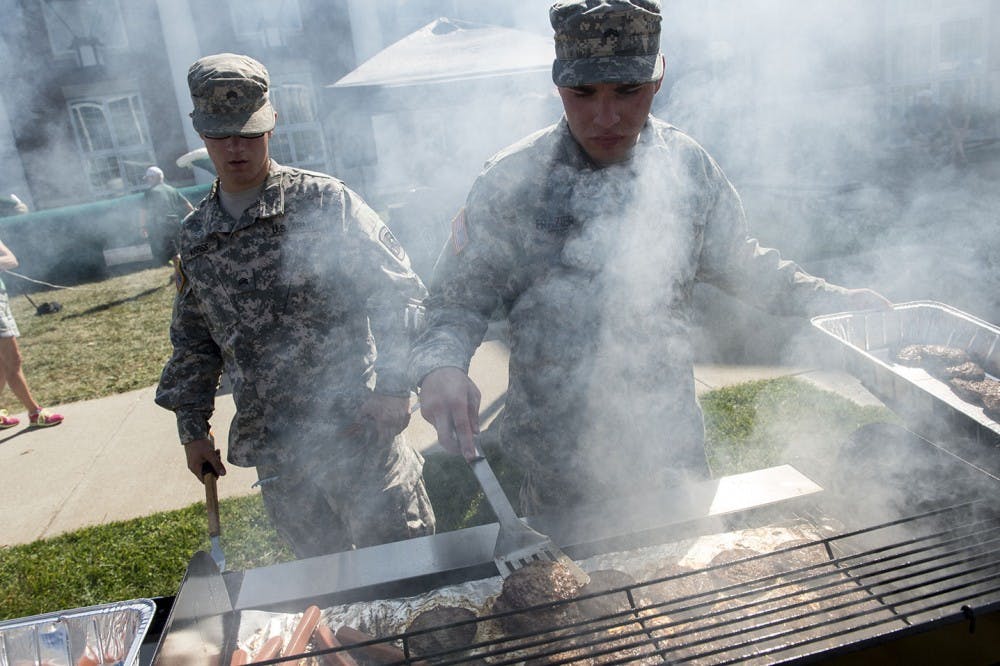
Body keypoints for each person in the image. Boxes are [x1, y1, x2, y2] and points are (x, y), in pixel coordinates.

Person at [409, 0, 892, 517]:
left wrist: (833, 302)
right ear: (558, 86)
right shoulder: (511, 182)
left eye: (627, 90)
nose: (606, 116)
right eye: (583, 93)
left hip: (671, 457)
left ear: (657, 79)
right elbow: (452, 305)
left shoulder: (688, 168)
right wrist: (441, 366)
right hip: (559, 474)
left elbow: (745, 265)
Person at [155, 53, 435, 558]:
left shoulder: (325, 203)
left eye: (248, 132)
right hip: (281, 456)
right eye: (221, 135)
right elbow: (194, 341)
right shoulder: (197, 235)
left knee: (409, 573)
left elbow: (400, 295)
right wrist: (192, 429)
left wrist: (395, 388)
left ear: (272, 123)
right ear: (199, 131)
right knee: (326, 585)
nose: (236, 147)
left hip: (359, 438)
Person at [0, 239, 64, 428]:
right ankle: (35, 412)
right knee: (13, 360)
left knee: (2, 365)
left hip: (2, 300)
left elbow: (11, 259)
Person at [140, 166, 194, 265]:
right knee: (178, 249)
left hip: (161, 225)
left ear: (154, 177)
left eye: (148, 178)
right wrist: (194, 219)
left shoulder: (150, 192)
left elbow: (143, 211)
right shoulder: (172, 189)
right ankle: (180, 270)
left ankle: (180, 271)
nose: (148, 180)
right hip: (176, 223)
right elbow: (188, 206)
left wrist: (143, 227)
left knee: (173, 252)